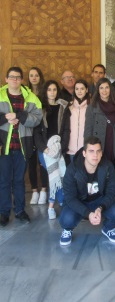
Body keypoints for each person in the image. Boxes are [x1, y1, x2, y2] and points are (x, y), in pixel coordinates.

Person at [59, 136, 115, 246]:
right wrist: (88, 213)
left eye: (98, 151)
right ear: (84, 153)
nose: (95, 155)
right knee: (66, 219)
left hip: (100, 201)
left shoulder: (107, 166)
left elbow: (113, 191)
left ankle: (108, 228)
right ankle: (67, 230)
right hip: (80, 201)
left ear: (101, 153)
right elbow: (70, 198)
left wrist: (101, 208)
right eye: (91, 151)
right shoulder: (73, 169)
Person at [0, 67, 42, 226]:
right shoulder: (0, 95)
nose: (15, 80)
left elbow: (37, 119)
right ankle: (4, 212)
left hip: (23, 145)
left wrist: (19, 115)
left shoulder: (31, 97)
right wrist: (5, 117)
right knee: (3, 180)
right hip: (3, 147)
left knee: (19, 180)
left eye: (18, 77)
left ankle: (19, 210)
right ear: (6, 79)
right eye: (12, 77)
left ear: (22, 80)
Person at [34, 80, 69, 219]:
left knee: (60, 175)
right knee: (53, 176)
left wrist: (62, 146)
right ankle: (54, 205)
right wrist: (44, 149)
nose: (52, 92)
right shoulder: (40, 108)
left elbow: (66, 129)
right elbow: (36, 132)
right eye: (49, 90)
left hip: (59, 147)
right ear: (45, 91)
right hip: (45, 149)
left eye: (54, 90)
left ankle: (60, 202)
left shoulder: (63, 107)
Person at [84, 78, 115, 172]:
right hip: (98, 144)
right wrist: (88, 149)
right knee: (100, 172)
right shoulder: (92, 106)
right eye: (101, 88)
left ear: (111, 89)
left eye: (107, 87)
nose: (104, 91)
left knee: (114, 172)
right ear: (98, 90)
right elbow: (88, 129)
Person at [27, 67, 48, 205]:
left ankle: (44, 190)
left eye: (36, 75)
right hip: (28, 131)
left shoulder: (45, 92)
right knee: (31, 162)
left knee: (43, 163)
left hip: (41, 131)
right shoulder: (25, 93)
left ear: (40, 77)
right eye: (31, 75)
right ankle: (34, 190)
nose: (34, 78)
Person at [62, 79, 90, 163]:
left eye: (82, 88)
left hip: (85, 149)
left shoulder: (91, 107)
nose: (79, 91)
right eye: (77, 89)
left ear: (86, 90)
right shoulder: (69, 107)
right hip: (70, 149)